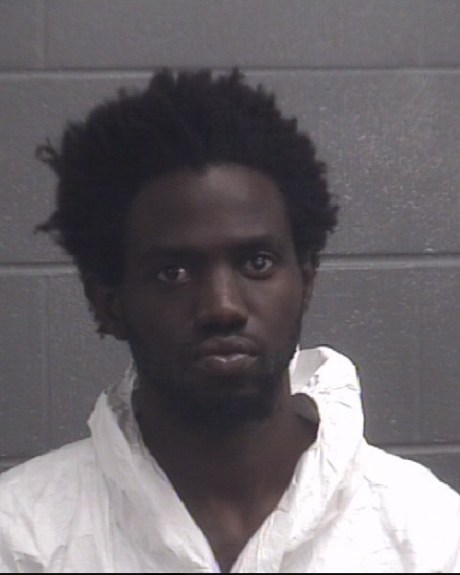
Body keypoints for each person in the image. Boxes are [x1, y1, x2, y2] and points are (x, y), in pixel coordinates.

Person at [0, 69, 459, 574]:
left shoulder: (426, 534)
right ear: (108, 303)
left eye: (257, 263)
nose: (222, 306)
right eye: (173, 273)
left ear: (305, 280)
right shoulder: (23, 538)